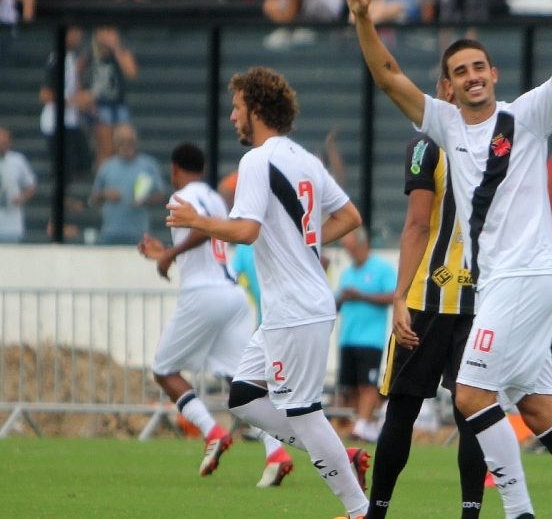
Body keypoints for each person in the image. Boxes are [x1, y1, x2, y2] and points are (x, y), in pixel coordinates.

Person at [346, 0, 552, 514]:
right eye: (460, 71)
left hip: (520, 278)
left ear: (494, 73)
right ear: (450, 86)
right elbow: (388, 76)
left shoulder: (527, 116)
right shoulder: (444, 124)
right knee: (538, 406)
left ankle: (518, 511)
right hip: (509, 282)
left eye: (479, 66)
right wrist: (364, 17)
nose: (472, 76)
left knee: (471, 396)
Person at [165, 66, 370, 519]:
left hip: (296, 308)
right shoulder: (305, 158)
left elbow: (245, 229)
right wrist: (305, 240)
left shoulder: (257, 160)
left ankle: (360, 511)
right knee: (243, 396)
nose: (233, 116)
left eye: (237, 108)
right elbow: (350, 216)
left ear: (256, 110)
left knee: (301, 409)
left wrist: (197, 221)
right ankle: (341, 457)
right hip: (291, 307)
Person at [137, 142, 295, 487]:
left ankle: (213, 432)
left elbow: (201, 233)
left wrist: (169, 255)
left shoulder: (183, 197)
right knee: (241, 384)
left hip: (203, 296)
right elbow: (208, 242)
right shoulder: (215, 198)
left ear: (175, 170)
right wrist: (165, 253)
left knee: (164, 370)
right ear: (204, 169)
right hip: (232, 295)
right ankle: (276, 451)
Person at [369, 84, 487, 518]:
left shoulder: (426, 145)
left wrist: (398, 296)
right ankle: (469, 514)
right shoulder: (499, 141)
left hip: (427, 299)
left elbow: (418, 225)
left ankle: (376, 512)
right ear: (442, 88)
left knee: (402, 410)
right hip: (478, 299)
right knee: (472, 412)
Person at [335, 226, 396, 443]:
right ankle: (366, 424)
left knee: (367, 384)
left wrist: (361, 296)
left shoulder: (382, 268)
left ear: (365, 244)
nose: (351, 254)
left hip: (371, 337)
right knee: (351, 385)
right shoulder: (347, 272)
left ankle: (362, 424)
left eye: (353, 249)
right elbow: (336, 302)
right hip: (348, 336)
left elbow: (393, 296)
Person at [88, 124, 166, 245]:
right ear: (116, 143)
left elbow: (161, 195)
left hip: (138, 234)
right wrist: (105, 194)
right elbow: (93, 199)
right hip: (109, 233)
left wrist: (144, 199)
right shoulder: (106, 167)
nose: (126, 145)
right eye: (122, 141)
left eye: (130, 141)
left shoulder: (148, 166)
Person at [79, 27, 138, 166]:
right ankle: (102, 184)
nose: (107, 36)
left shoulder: (122, 50)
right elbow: (76, 74)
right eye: (104, 32)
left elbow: (131, 72)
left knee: (123, 146)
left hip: (119, 104)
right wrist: (83, 98)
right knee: (106, 150)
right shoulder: (90, 53)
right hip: (100, 106)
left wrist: (116, 48)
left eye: (111, 32)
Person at [40, 26, 93, 180]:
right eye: (75, 33)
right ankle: (66, 199)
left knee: (84, 160)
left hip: (71, 121)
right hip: (56, 123)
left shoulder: (71, 58)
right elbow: (45, 95)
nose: (80, 36)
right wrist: (76, 100)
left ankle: (69, 197)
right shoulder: (57, 59)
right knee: (64, 168)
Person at [262, 0, 343, 50]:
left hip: (328, 11)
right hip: (307, 10)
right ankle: (288, 32)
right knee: (270, 3)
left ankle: (287, 32)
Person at [0, 125, 37, 243]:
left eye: (5, 141)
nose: (2, 144)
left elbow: (31, 186)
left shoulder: (18, 161)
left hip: (12, 223)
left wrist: (21, 198)